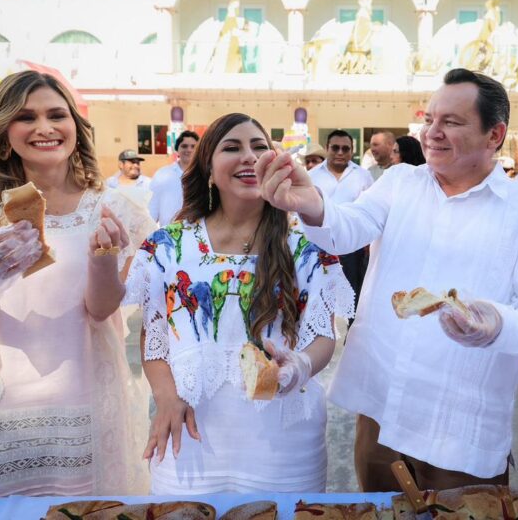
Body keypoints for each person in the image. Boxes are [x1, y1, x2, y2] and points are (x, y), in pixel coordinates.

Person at [256, 68, 518, 491]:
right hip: (381, 407)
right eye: (430, 120)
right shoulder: (402, 182)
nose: (432, 133)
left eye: (452, 123)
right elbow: (348, 226)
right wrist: (311, 204)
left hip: (457, 425)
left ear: (494, 135)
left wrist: (496, 324)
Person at [125, 113, 354, 494]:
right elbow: (155, 339)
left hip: (284, 449)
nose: (249, 157)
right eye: (232, 148)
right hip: (190, 442)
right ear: (209, 171)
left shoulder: (307, 245)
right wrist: (165, 397)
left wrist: (298, 366)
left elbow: (323, 336)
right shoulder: (167, 246)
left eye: (260, 147)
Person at [0, 70, 155, 495]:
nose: (44, 128)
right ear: (6, 132)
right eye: (26, 117)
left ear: (76, 128)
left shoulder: (118, 210)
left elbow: (101, 311)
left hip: (87, 403)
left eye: (56, 115)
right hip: (1, 411)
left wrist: (103, 260)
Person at [308, 130, 373, 316]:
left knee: (353, 292)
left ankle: (349, 337)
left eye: (345, 149)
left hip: (353, 246)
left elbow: (369, 212)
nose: (340, 152)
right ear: (327, 149)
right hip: (318, 245)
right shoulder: (312, 176)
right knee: (318, 292)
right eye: (335, 148)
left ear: (352, 151)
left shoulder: (363, 176)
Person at [149, 130, 200, 226]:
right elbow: (152, 208)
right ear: (177, 149)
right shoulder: (162, 174)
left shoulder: (205, 175)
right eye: (184, 146)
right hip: (168, 236)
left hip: (198, 235)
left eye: (193, 146)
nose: (189, 150)